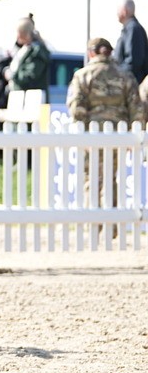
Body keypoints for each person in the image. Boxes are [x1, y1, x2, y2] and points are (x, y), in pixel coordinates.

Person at [67, 37, 142, 233]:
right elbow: (137, 108)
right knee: (111, 177)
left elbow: (76, 107)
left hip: (92, 135)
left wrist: (80, 131)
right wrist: (134, 135)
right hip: (119, 135)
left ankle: (94, 224)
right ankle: (113, 224)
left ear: (91, 53)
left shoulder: (83, 75)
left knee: (91, 177)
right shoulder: (126, 76)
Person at [5, 16, 50, 94]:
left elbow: (31, 76)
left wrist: (12, 75)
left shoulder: (37, 51)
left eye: (18, 32)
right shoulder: (24, 48)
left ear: (23, 33)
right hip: (19, 94)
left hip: (32, 97)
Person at [112, 0, 148, 83]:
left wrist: (118, 76)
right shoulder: (129, 29)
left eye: (118, 10)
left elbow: (133, 61)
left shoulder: (133, 29)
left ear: (124, 11)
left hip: (131, 85)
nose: (117, 13)